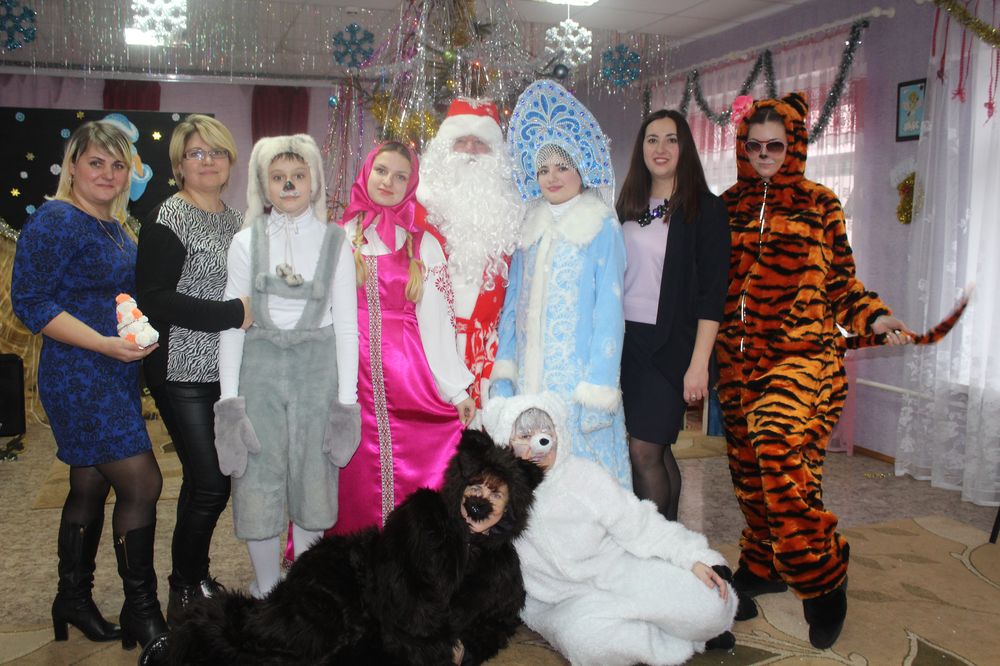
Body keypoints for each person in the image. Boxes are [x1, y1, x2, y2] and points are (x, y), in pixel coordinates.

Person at [716, 93, 912, 649]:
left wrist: (874, 317)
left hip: (802, 359)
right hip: (737, 363)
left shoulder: (820, 204)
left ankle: (823, 577)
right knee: (751, 472)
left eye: (775, 146)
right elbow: (704, 287)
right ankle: (763, 563)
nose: (764, 155)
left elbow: (843, 284)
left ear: (795, 147)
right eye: (755, 146)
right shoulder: (724, 207)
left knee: (777, 449)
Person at [11, 120, 168, 651]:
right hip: (79, 374)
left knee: (90, 484)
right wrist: (103, 343)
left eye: (118, 165)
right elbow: (31, 303)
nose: (107, 173)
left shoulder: (115, 226)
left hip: (115, 372)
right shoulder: (57, 219)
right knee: (142, 483)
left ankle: (72, 599)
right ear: (72, 166)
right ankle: (143, 613)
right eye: (96, 162)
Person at [482, 393, 737, 666]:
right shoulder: (498, 495)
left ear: (558, 436)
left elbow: (641, 523)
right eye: (524, 436)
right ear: (505, 441)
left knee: (711, 603)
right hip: (563, 603)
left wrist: (694, 556)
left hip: (621, 573)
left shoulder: (584, 476)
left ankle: (679, 627)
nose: (536, 446)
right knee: (591, 645)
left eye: (545, 435)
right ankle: (678, 637)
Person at [216, 134, 360, 598]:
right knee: (255, 478)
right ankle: (266, 588)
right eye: (278, 177)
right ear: (264, 184)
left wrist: (346, 405)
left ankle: (301, 590)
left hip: (318, 376)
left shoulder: (336, 242)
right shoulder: (245, 242)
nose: (289, 185)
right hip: (258, 374)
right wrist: (229, 404)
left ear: (314, 181)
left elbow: (347, 327)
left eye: (298, 176)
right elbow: (233, 325)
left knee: (314, 478)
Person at [135, 114, 250, 625]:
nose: (208, 161)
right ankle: (184, 585)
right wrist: (232, 314)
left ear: (230, 161)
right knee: (210, 482)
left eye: (217, 152)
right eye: (196, 153)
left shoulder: (238, 220)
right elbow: (155, 298)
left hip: (227, 369)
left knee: (205, 480)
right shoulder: (168, 217)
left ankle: (194, 576)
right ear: (179, 164)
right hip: (181, 368)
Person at [329, 141, 475, 537]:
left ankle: (413, 549)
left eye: (400, 176)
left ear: (411, 185)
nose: (388, 182)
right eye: (381, 171)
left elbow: (437, 322)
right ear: (367, 172)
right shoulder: (339, 238)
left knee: (419, 462)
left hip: (408, 377)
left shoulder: (422, 243)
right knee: (351, 464)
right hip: (350, 375)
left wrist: (455, 390)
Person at [491, 79, 631, 487]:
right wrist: (504, 374)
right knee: (534, 483)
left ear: (580, 169)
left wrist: (598, 388)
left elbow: (610, 312)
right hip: (529, 384)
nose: (552, 178)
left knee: (586, 487)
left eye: (562, 167)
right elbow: (512, 308)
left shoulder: (601, 226)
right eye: (543, 169)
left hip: (577, 386)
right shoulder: (529, 229)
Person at [616, 109, 730, 521]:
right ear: (641, 149)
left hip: (671, 347)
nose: (660, 148)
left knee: (643, 451)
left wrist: (699, 365)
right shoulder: (628, 205)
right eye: (652, 139)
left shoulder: (706, 209)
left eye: (671, 139)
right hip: (626, 343)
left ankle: (651, 544)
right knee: (656, 449)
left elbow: (712, 297)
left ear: (685, 148)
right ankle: (671, 543)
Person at [415, 97, 524, 411]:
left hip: (490, 357)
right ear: (444, 149)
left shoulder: (513, 213)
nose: (470, 151)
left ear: (496, 155)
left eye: (480, 143)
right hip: (426, 351)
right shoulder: (418, 211)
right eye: (460, 141)